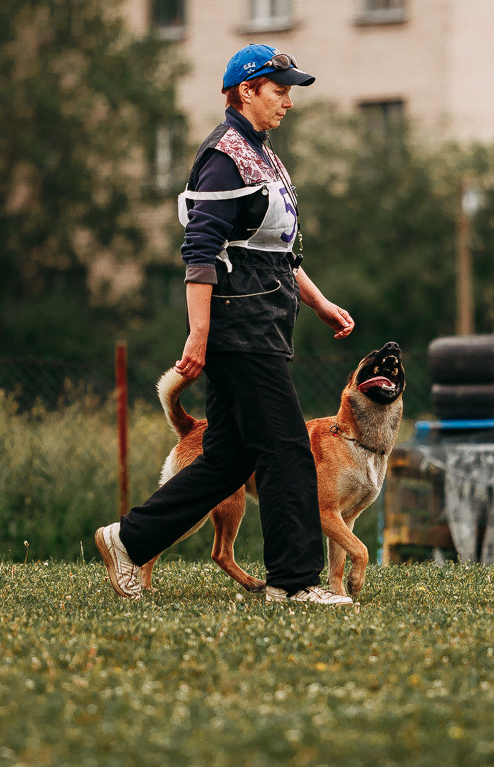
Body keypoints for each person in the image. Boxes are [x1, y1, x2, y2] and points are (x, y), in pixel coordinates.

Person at [95, 44, 356, 605]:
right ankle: (294, 583)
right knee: (287, 448)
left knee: (230, 458)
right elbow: (201, 249)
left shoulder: (262, 154)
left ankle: (128, 539)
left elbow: (280, 253)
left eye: (290, 91)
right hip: (239, 330)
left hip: (264, 323)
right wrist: (198, 333)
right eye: (279, 90)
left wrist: (318, 302)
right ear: (246, 90)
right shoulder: (224, 155)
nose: (288, 101)